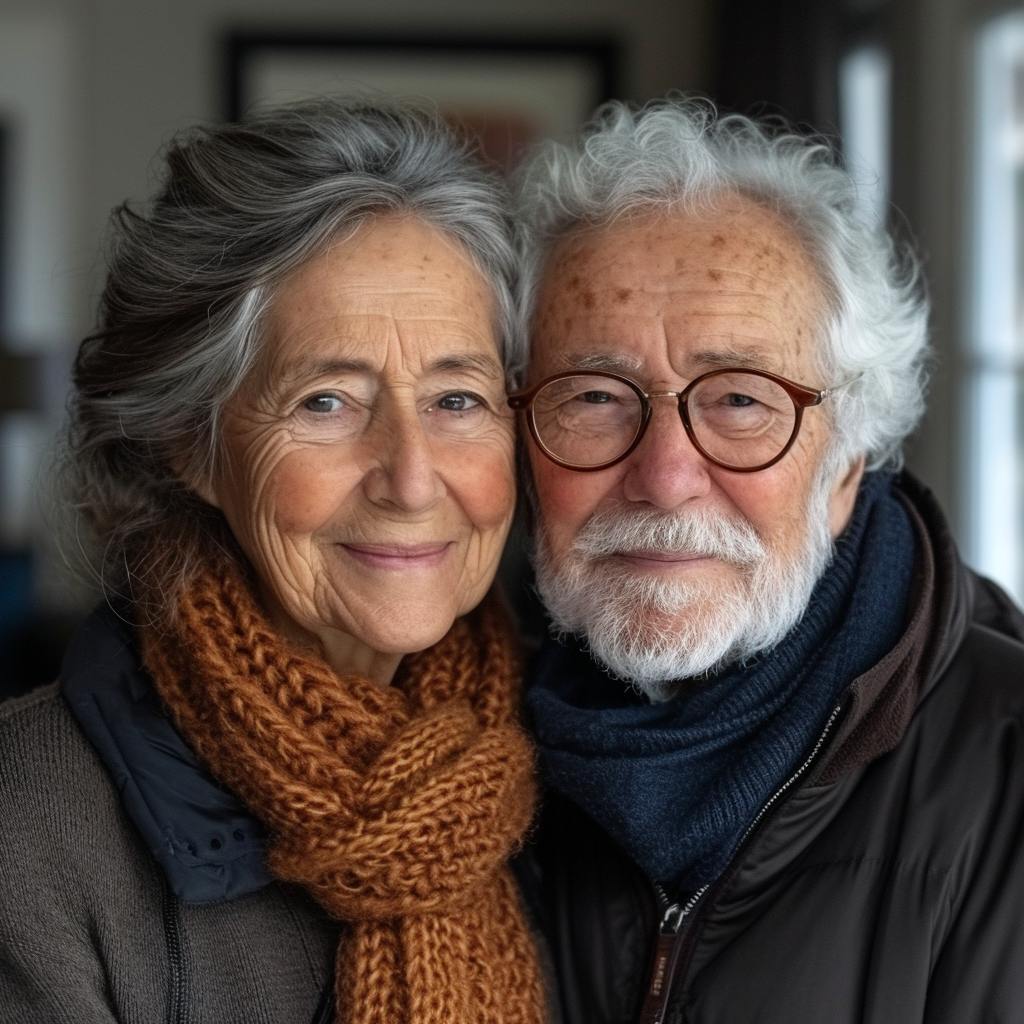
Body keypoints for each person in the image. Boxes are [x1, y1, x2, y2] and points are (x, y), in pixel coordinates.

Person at [0, 102, 549, 1024]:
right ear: (190, 442)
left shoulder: (579, 754)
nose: (412, 479)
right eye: (328, 402)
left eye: (458, 398)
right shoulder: (29, 823)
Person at [510, 98, 1024, 1024]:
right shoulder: (448, 734)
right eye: (594, 395)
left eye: (742, 401)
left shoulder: (1007, 768)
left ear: (847, 464)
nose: (664, 478)